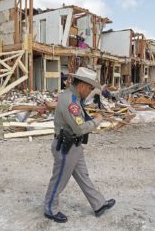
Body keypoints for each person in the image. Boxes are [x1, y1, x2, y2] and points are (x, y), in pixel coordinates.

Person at [43, 67, 115, 223]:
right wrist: (98, 120)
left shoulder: (74, 97)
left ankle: (99, 204)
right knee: (59, 181)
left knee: (83, 176)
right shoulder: (70, 101)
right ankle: (50, 208)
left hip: (74, 146)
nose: (90, 92)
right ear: (82, 85)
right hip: (66, 148)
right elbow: (80, 128)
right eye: (89, 88)